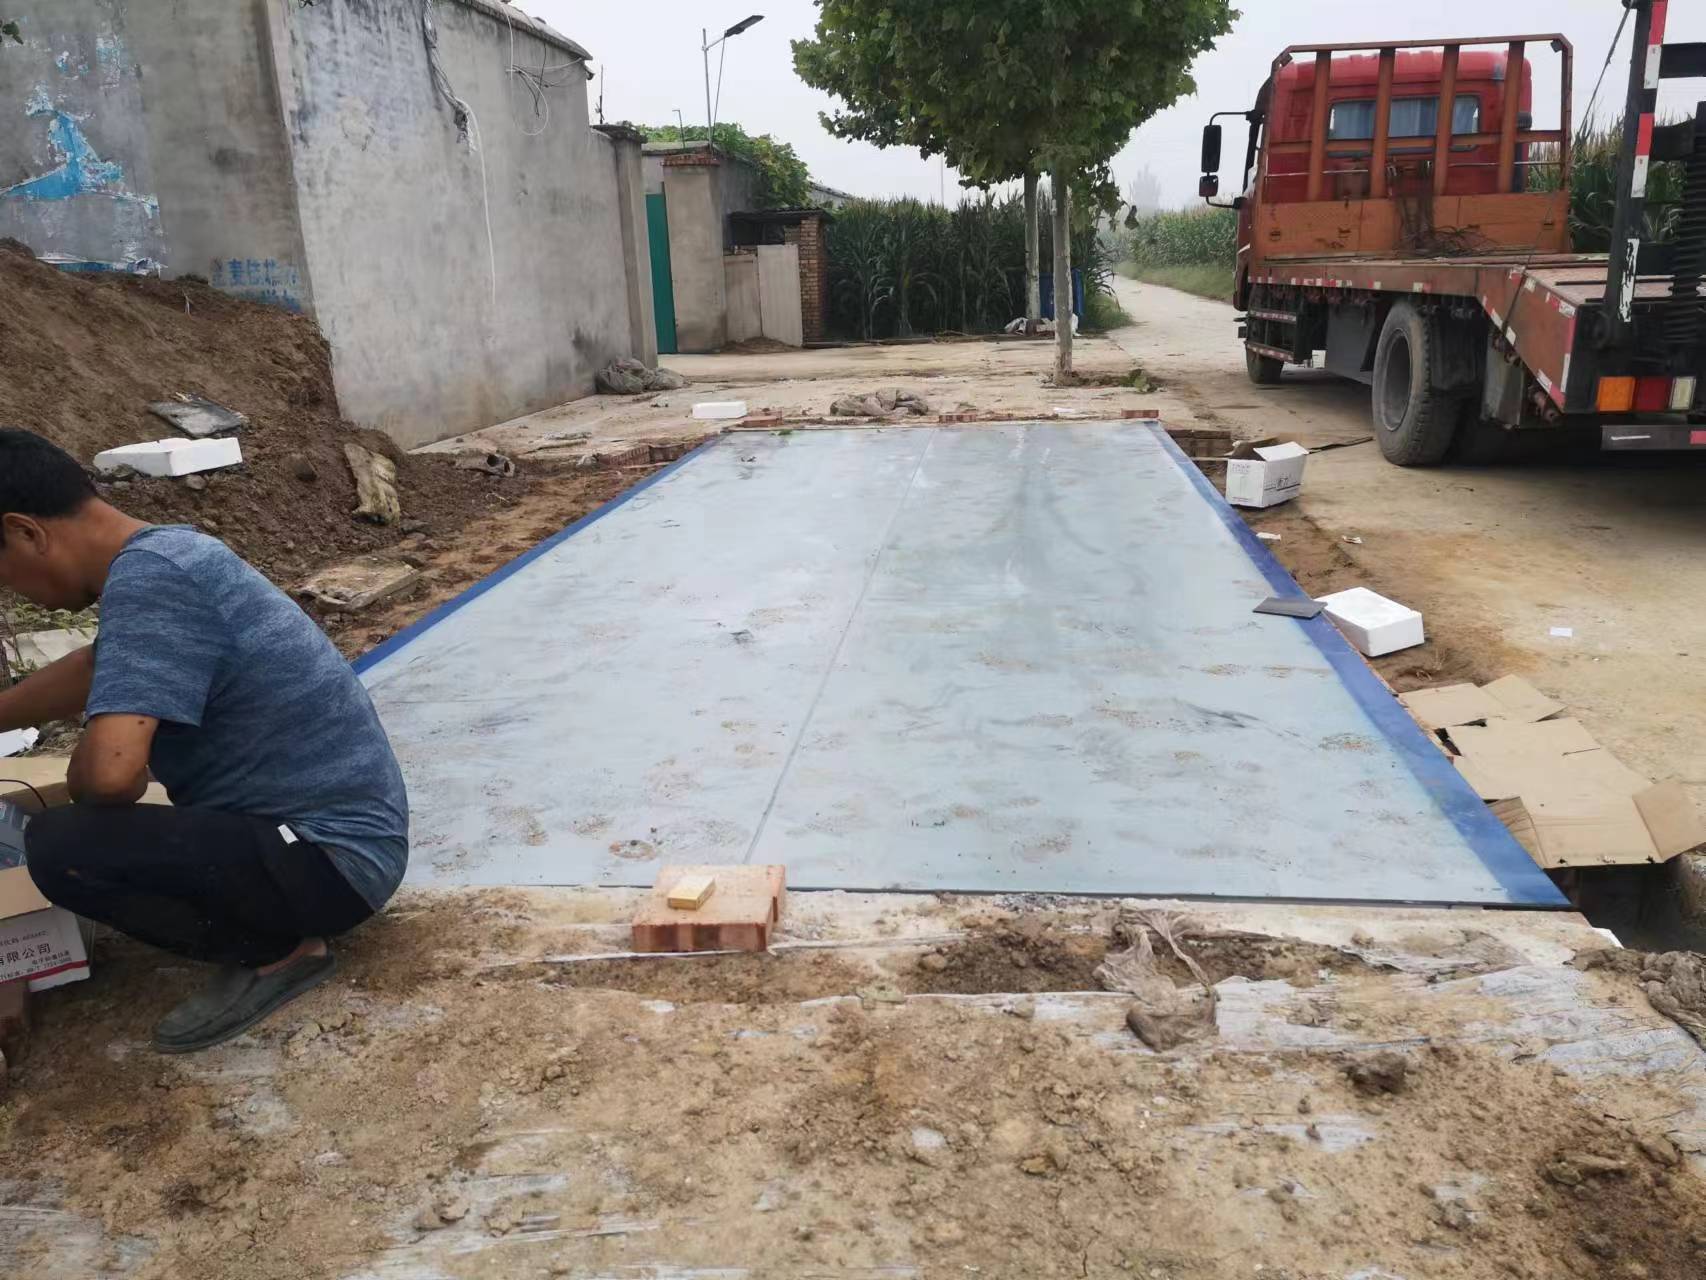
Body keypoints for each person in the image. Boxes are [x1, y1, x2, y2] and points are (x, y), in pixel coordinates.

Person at [0, 429, 409, 1053]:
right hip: (326, 842)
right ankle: (277, 920)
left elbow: (111, 777)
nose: (14, 591)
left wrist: (90, 752)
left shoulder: (151, 579)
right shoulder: (167, 555)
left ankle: (280, 952)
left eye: (3, 575)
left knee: (62, 845)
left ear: (26, 532)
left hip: (331, 860)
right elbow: (96, 667)